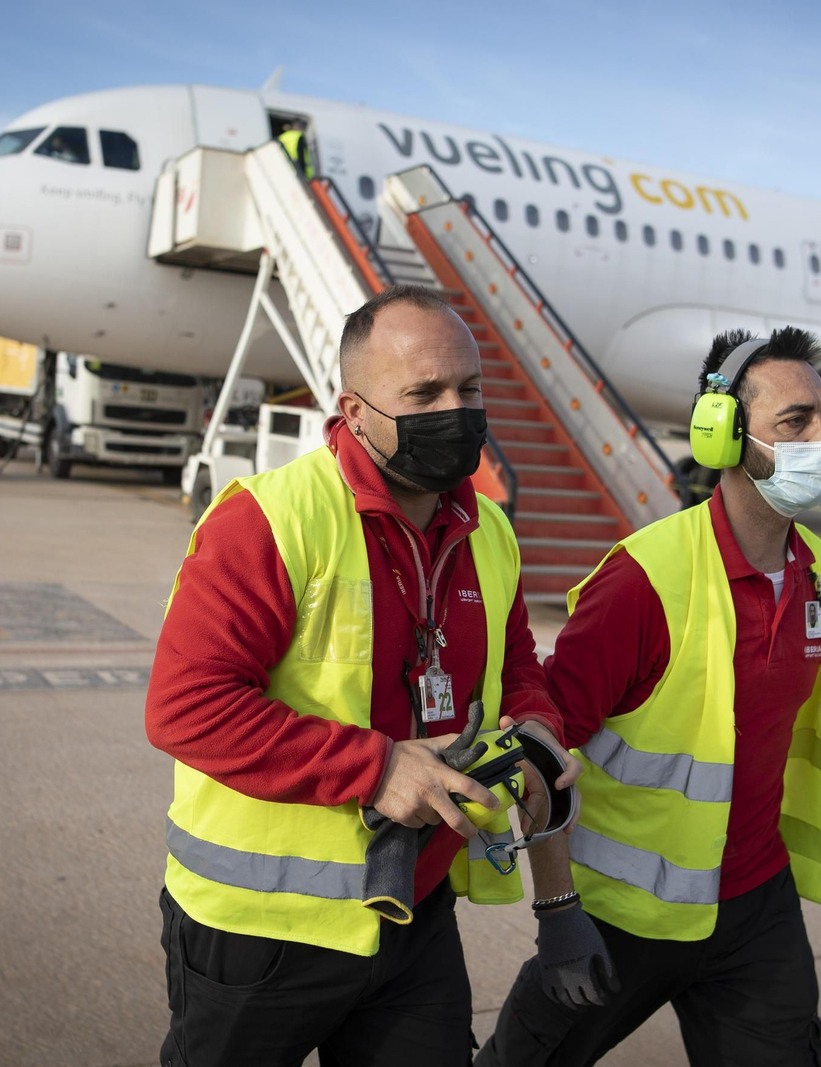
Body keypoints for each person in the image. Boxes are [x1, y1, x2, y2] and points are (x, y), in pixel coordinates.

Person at [145, 284, 577, 1066]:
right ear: (354, 411)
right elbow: (186, 707)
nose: (456, 410)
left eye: (469, 388)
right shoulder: (269, 520)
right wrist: (376, 768)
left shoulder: (490, 528)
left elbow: (516, 664)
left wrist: (537, 724)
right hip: (261, 932)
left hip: (413, 913)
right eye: (425, 393)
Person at [479, 328, 821, 1067]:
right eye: (795, 421)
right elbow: (543, 751)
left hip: (756, 906)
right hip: (624, 914)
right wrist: (558, 913)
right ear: (723, 435)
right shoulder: (645, 581)